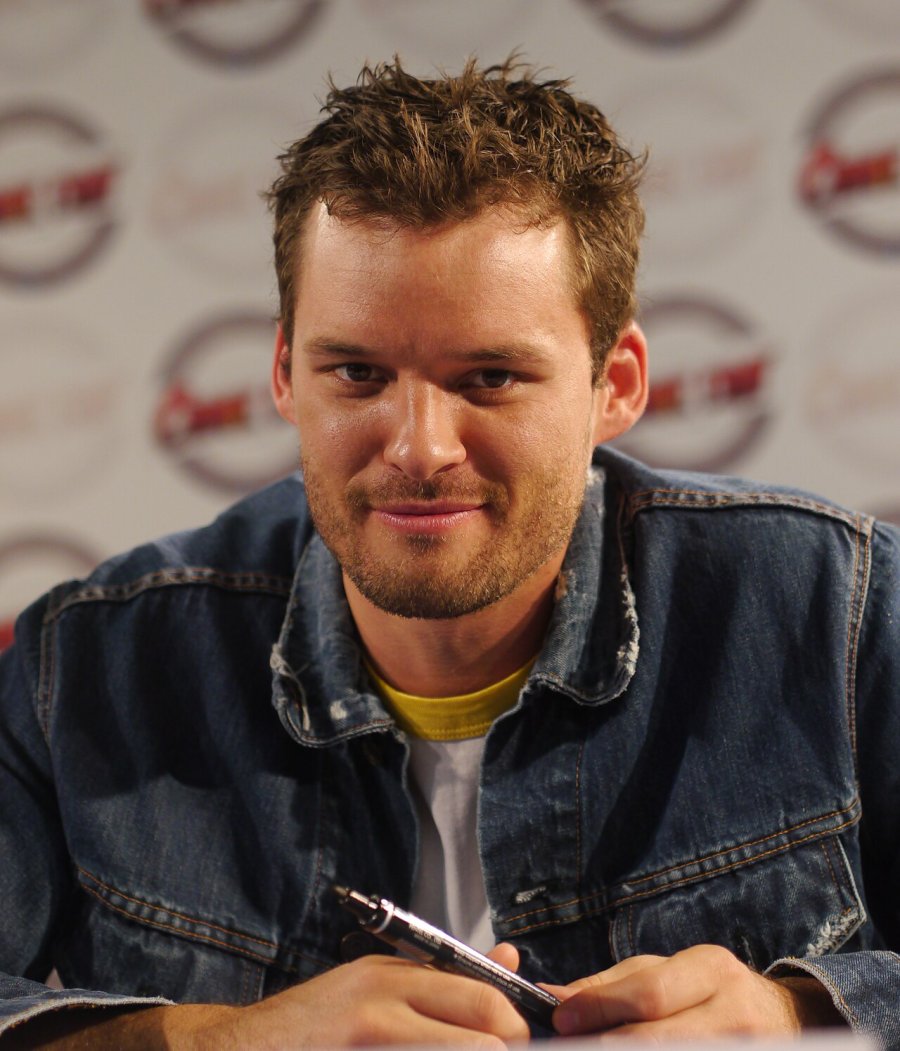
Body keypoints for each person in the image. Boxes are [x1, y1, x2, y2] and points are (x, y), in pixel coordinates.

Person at [1, 56, 898, 1049]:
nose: (420, 447)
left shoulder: (838, 610)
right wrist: (223, 1041)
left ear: (617, 384)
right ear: (285, 373)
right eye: (357, 372)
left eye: (490, 377)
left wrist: (800, 1013)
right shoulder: (84, 665)